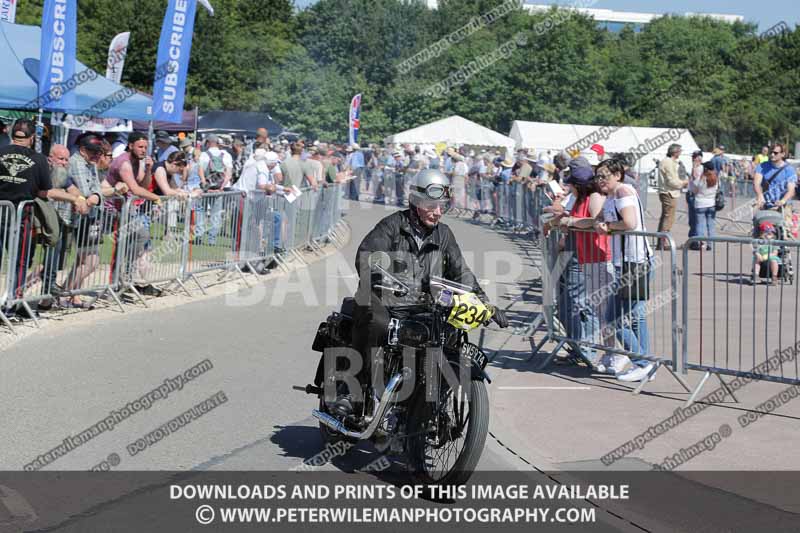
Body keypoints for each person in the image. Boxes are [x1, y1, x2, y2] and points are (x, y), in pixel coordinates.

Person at [326, 169, 508, 415]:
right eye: (431, 206)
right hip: (384, 299)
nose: (438, 212)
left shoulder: (444, 235)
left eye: (442, 206)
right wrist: (381, 276)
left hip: (422, 306)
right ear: (415, 202)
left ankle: (424, 402)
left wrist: (485, 305)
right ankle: (351, 392)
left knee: (448, 331)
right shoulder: (392, 226)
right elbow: (367, 255)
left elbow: (461, 273)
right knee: (375, 322)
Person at [593, 158, 656, 382]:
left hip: (635, 262)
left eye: (604, 176)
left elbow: (629, 222)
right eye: (598, 176)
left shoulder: (623, 192)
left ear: (617, 175)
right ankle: (645, 365)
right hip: (627, 263)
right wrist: (571, 221)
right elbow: (596, 220)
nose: (600, 180)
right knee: (635, 317)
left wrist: (608, 227)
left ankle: (643, 363)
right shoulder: (611, 196)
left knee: (613, 320)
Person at [554, 162, 613, 370]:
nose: (570, 187)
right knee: (570, 305)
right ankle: (580, 347)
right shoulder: (580, 198)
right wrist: (566, 223)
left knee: (586, 306)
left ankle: (588, 349)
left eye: (572, 184)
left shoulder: (594, 196)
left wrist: (571, 222)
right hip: (581, 255)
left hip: (593, 256)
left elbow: (596, 221)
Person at [0, 119, 52, 316]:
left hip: (1, 212)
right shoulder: (39, 159)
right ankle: (11, 305)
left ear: (12, 134)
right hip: (21, 217)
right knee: (21, 262)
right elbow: (44, 190)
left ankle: (12, 303)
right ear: (32, 138)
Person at [656, 143, 688, 250]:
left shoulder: (669, 162)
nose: (680, 153)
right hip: (669, 193)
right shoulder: (668, 162)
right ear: (675, 152)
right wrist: (684, 183)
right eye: (680, 151)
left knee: (666, 217)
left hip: (668, 192)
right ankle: (663, 243)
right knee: (668, 218)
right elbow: (672, 181)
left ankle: (661, 242)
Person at [753, 143, 797, 211]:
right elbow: (756, 184)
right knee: (756, 215)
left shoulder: (789, 170)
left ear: (783, 154)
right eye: (771, 152)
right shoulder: (762, 166)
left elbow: (791, 190)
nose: (772, 154)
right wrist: (760, 195)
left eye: (775, 153)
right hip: (765, 204)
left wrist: (783, 201)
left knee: (786, 216)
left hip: (784, 205)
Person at [691, 161, 719, 251]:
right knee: (711, 225)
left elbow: (694, 189)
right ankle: (711, 244)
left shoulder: (702, 179)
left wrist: (693, 175)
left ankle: (701, 243)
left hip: (700, 203)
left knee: (700, 224)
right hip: (711, 203)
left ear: (705, 169)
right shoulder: (716, 178)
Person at [687, 150, 703, 244]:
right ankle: (693, 240)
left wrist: (694, 167)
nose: (693, 159)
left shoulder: (700, 168)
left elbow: (695, 179)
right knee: (692, 220)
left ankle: (695, 241)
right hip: (691, 195)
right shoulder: (695, 167)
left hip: (696, 196)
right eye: (693, 157)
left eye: (695, 157)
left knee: (695, 220)